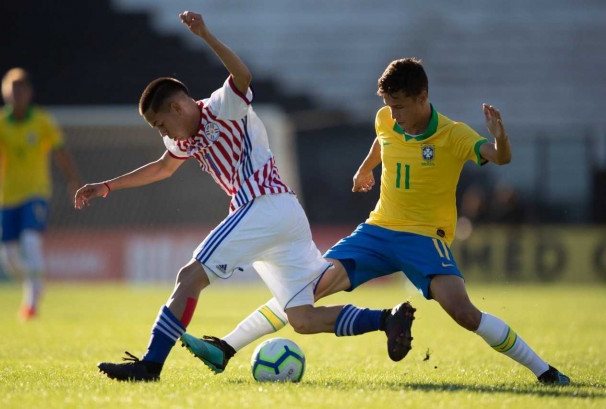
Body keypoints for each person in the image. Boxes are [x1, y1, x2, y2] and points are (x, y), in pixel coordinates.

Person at [179, 58, 570, 385]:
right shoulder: (387, 118)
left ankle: (545, 372)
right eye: (389, 105)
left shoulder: (454, 135)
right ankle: (225, 347)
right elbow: (381, 139)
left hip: (423, 238)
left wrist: (501, 139)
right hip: (377, 230)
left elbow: (500, 158)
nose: (394, 115)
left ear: (422, 97)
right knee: (304, 289)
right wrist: (365, 169)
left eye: (400, 105)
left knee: (464, 313)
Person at [74, 11, 413, 383]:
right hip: (284, 216)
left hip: (262, 205)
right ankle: (388, 319)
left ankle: (150, 365)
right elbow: (162, 167)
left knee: (189, 276)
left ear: (176, 107)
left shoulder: (223, 106)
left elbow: (243, 77)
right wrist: (107, 186)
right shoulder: (181, 139)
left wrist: (206, 35)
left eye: (160, 124)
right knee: (301, 317)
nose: (162, 133)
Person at [0, 68, 81, 320]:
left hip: (36, 192)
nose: (17, 95)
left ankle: (31, 301)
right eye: (12, 90)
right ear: (5, 93)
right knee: (7, 256)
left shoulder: (41, 121)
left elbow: (60, 151)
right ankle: (34, 284)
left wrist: (73, 179)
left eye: (21, 90)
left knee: (30, 242)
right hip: (6, 196)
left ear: (28, 93)